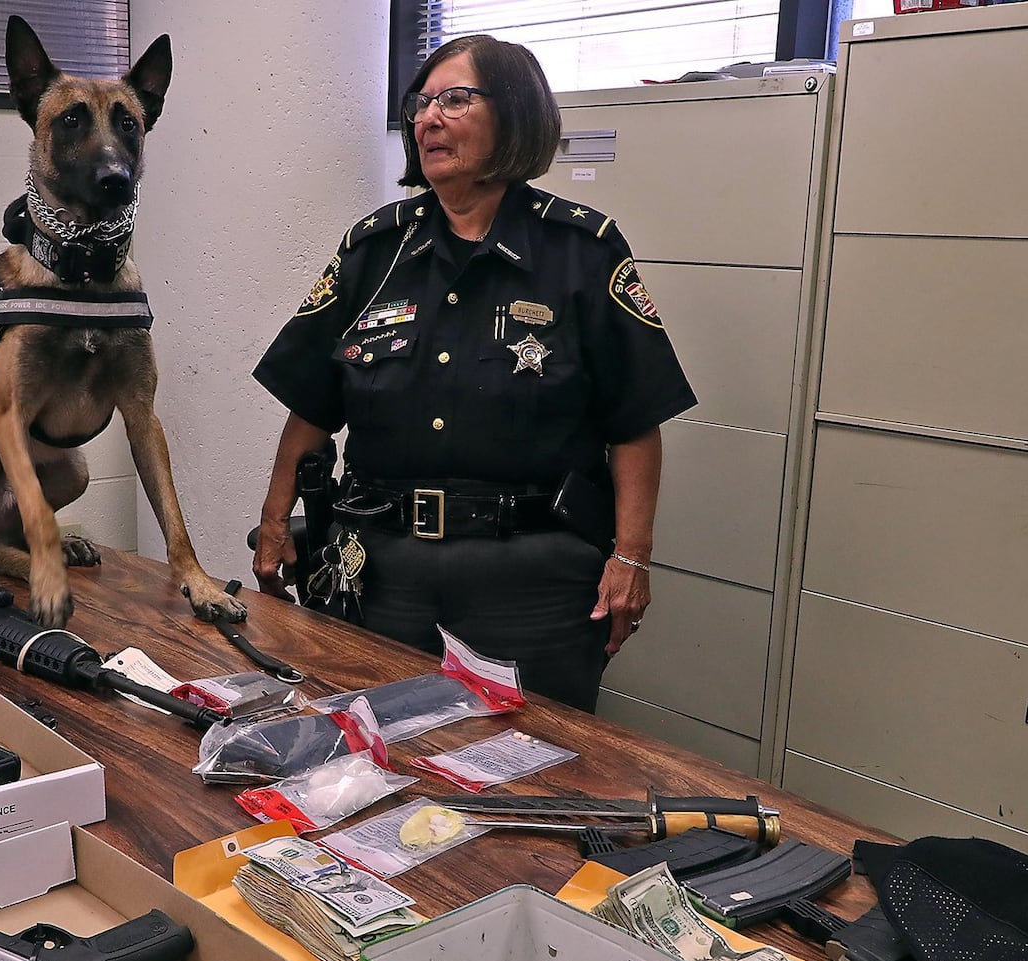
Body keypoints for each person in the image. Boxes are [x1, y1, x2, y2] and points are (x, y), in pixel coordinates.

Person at [249, 33, 696, 713]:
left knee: (531, 773)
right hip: (379, 574)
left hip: (533, 583)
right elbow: (312, 402)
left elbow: (635, 420)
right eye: (420, 103)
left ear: (513, 113)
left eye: (454, 99)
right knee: (371, 769)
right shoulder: (374, 250)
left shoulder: (581, 251)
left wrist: (630, 557)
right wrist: (276, 522)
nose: (428, 118)